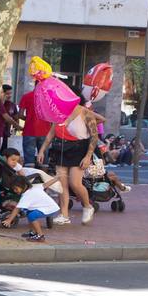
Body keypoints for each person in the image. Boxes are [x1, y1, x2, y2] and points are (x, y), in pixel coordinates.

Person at [38, 93, 105, 225]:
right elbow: (51, 133)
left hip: (79, 149)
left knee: (75, 183)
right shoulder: (58, 113)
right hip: (61, 149)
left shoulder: (85, 112)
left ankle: (87, 206)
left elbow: (94, 136)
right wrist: (41, 150)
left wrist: (88, 156)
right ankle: (64, 215)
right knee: (61, 185)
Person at [0, 149, 62, 243]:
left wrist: (9, 220)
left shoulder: (27, 196)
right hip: (49, 207)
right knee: (29, 213)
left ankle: (40, 236)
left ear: (23, 186)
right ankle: (33, 232)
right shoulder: (34, 188)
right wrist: (56, 178)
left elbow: (17, 209)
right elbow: (45, 185)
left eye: (16, 189)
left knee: (32, 216)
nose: (15, 191)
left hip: (50, 208)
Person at [0, 84, 21, 155]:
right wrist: (18, 127)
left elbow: (16, 117)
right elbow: (7, 118)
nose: (9, 95)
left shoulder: (12, 105)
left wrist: (16, 128)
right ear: (2, 93)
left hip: (7, 134)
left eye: (10, 93)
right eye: (7, 93)